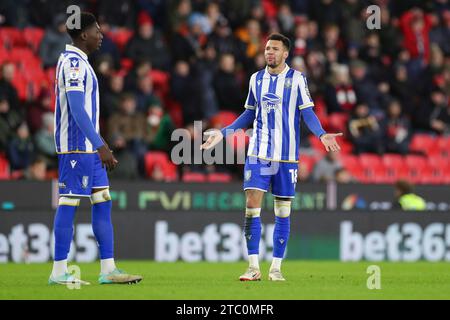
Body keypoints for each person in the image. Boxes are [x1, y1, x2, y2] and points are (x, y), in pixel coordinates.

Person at [201, 33, 342, 281]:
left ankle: (276, 268)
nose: (270, 52)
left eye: (275, 49)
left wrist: (321, 135)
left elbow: (307, 112)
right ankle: (253, 267)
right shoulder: (256, 79)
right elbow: (247, 116)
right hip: (258, 153)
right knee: (252, 206)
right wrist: (223, 134)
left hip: (287, 157)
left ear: (285, 53)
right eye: (267, 48)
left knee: (282, 211)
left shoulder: (297, 79)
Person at [50, 12, 142, 285]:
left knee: (102, 200)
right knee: (69, 201)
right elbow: (78, 110)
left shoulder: (82, 62)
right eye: (96, 31)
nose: (101, 35)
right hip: (77, 146)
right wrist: (101, 145)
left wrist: (99, 144)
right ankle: (58, 271)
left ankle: (108, 269)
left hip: (89, 146)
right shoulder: (73, 64)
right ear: (82, 35)